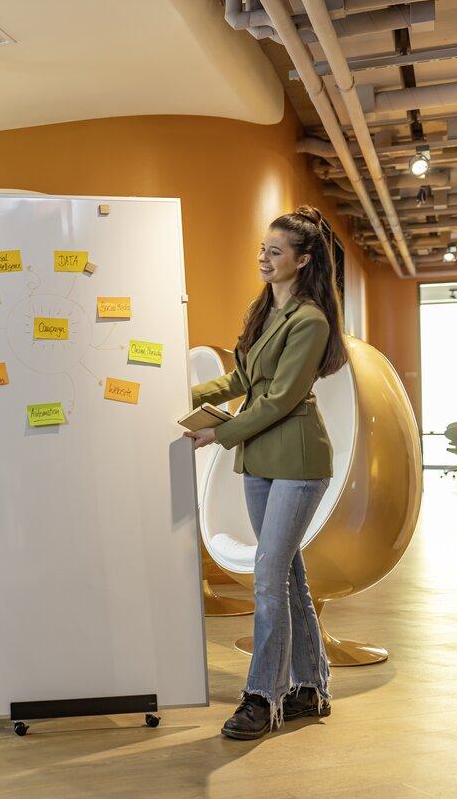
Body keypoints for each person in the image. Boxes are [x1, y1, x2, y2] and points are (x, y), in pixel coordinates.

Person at [187, 206, 348, 741]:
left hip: (299, 463)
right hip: (259, 461)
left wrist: (221, 433)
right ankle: (311, 688)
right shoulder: (265, 311)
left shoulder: (311, 320)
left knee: (268, 576)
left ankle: (263, 697)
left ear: (302, 261)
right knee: (289, 576)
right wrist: (183, 393)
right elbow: (243, 378)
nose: (264, 258)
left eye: (275, 252)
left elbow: (279, 399)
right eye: (263, 249)